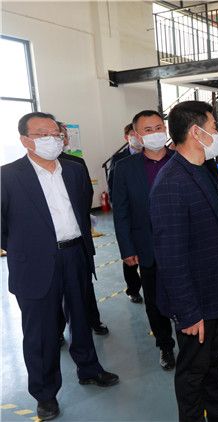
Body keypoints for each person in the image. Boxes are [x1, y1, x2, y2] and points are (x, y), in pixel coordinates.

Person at [1, 112, 119, 421]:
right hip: (34, 263)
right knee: (40, 332)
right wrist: (28, 248)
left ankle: (90, 369)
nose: (52, 139)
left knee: (81, 318)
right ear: (25, 140)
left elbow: (81, 209)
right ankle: (45, 394)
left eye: (55, 133)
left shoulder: (74, 171)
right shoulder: (7, 176)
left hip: (74, 254)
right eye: (43, 134)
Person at [150, 101, 218, 422]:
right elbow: (171, 257)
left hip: (216, 289)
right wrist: (188, 312)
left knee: (214, 359)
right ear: (196, 133)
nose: (217, 134)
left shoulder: (204, 168)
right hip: (195, 300)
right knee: (193, 370)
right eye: (213, 128)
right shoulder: (171, 183)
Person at [111, 110, 176, 370]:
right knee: (155, 301)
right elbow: (121, 212)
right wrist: (127, 248)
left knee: (187, 296)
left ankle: (192, 342)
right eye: (148, 130)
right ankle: (165, 345)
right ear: (137, 135)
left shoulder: (182, 160)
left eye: (159, 127)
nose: (155, 133)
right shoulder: (124, 168)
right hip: (147, 246)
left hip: (183, 245)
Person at [57, 121, 109, 336]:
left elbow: (86, 193)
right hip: (51, 244)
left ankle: (93, 320)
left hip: (78, 239)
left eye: (62, 136)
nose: (60, 140)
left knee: (85, 284)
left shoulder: (76, 163)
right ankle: (58, 330)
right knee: (55, 290)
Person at [107, 123, 143, 304]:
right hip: (130, 215)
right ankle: (133, 289)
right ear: (126, 137)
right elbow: (113, 188)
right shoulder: (119, 159)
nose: (136, 136)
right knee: (131, 256)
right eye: (132, 134)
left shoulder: (151, 154)